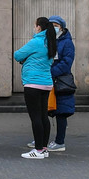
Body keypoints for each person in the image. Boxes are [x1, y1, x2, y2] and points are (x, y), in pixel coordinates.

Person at [15, 16, 57, 159]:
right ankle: (44, 148)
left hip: (33, 83)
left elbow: (17, 54)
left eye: (35, 25)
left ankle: (37, 150)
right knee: (43, 116)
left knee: (35, 117)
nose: (34, 28)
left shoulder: (36, 42)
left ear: (39, 27)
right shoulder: (51, 42)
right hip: (46, 83)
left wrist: (26, 59)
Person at [47, 15, 75, 152]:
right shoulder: (46, 40)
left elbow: (66, 63)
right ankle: (42, 140)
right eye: (50, 25)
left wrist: (51, 72)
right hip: (48, 80)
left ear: (62, 27)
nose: (53, 28)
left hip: (61, 81)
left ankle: (59, 141)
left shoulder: (67, 43)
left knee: (61, 112)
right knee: (44, 110)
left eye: (55, 25)